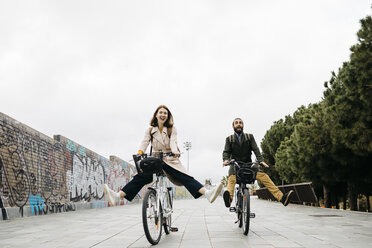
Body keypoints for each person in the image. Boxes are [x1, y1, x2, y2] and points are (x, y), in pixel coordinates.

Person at [103, 105, 223, 205]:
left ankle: (208, 194)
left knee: (183, 176)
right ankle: (117, 196)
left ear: (168, 116)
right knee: (141, 176)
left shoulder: (172, 129)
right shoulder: (150, 130)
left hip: (169, 158)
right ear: (156, 115)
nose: (163, 114)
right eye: (160, 112)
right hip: (155, 159)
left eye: (165, 113)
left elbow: (173, 141)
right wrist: (140, 153)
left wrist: (175, 151)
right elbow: (144, 142)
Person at [222, 118, 293, 207]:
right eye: (236, 123)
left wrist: (260, 161)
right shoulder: (229, 139)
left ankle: (282, 198)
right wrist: (226, 160)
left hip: (248, 165)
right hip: (235, 166)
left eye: (240, 123)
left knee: (264, 177)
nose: (239, 124)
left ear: (243, 125)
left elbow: (256, 149)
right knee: (231, 180)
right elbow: (226, 152)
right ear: (233, 126)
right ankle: (229, 200)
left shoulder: (249, 137)